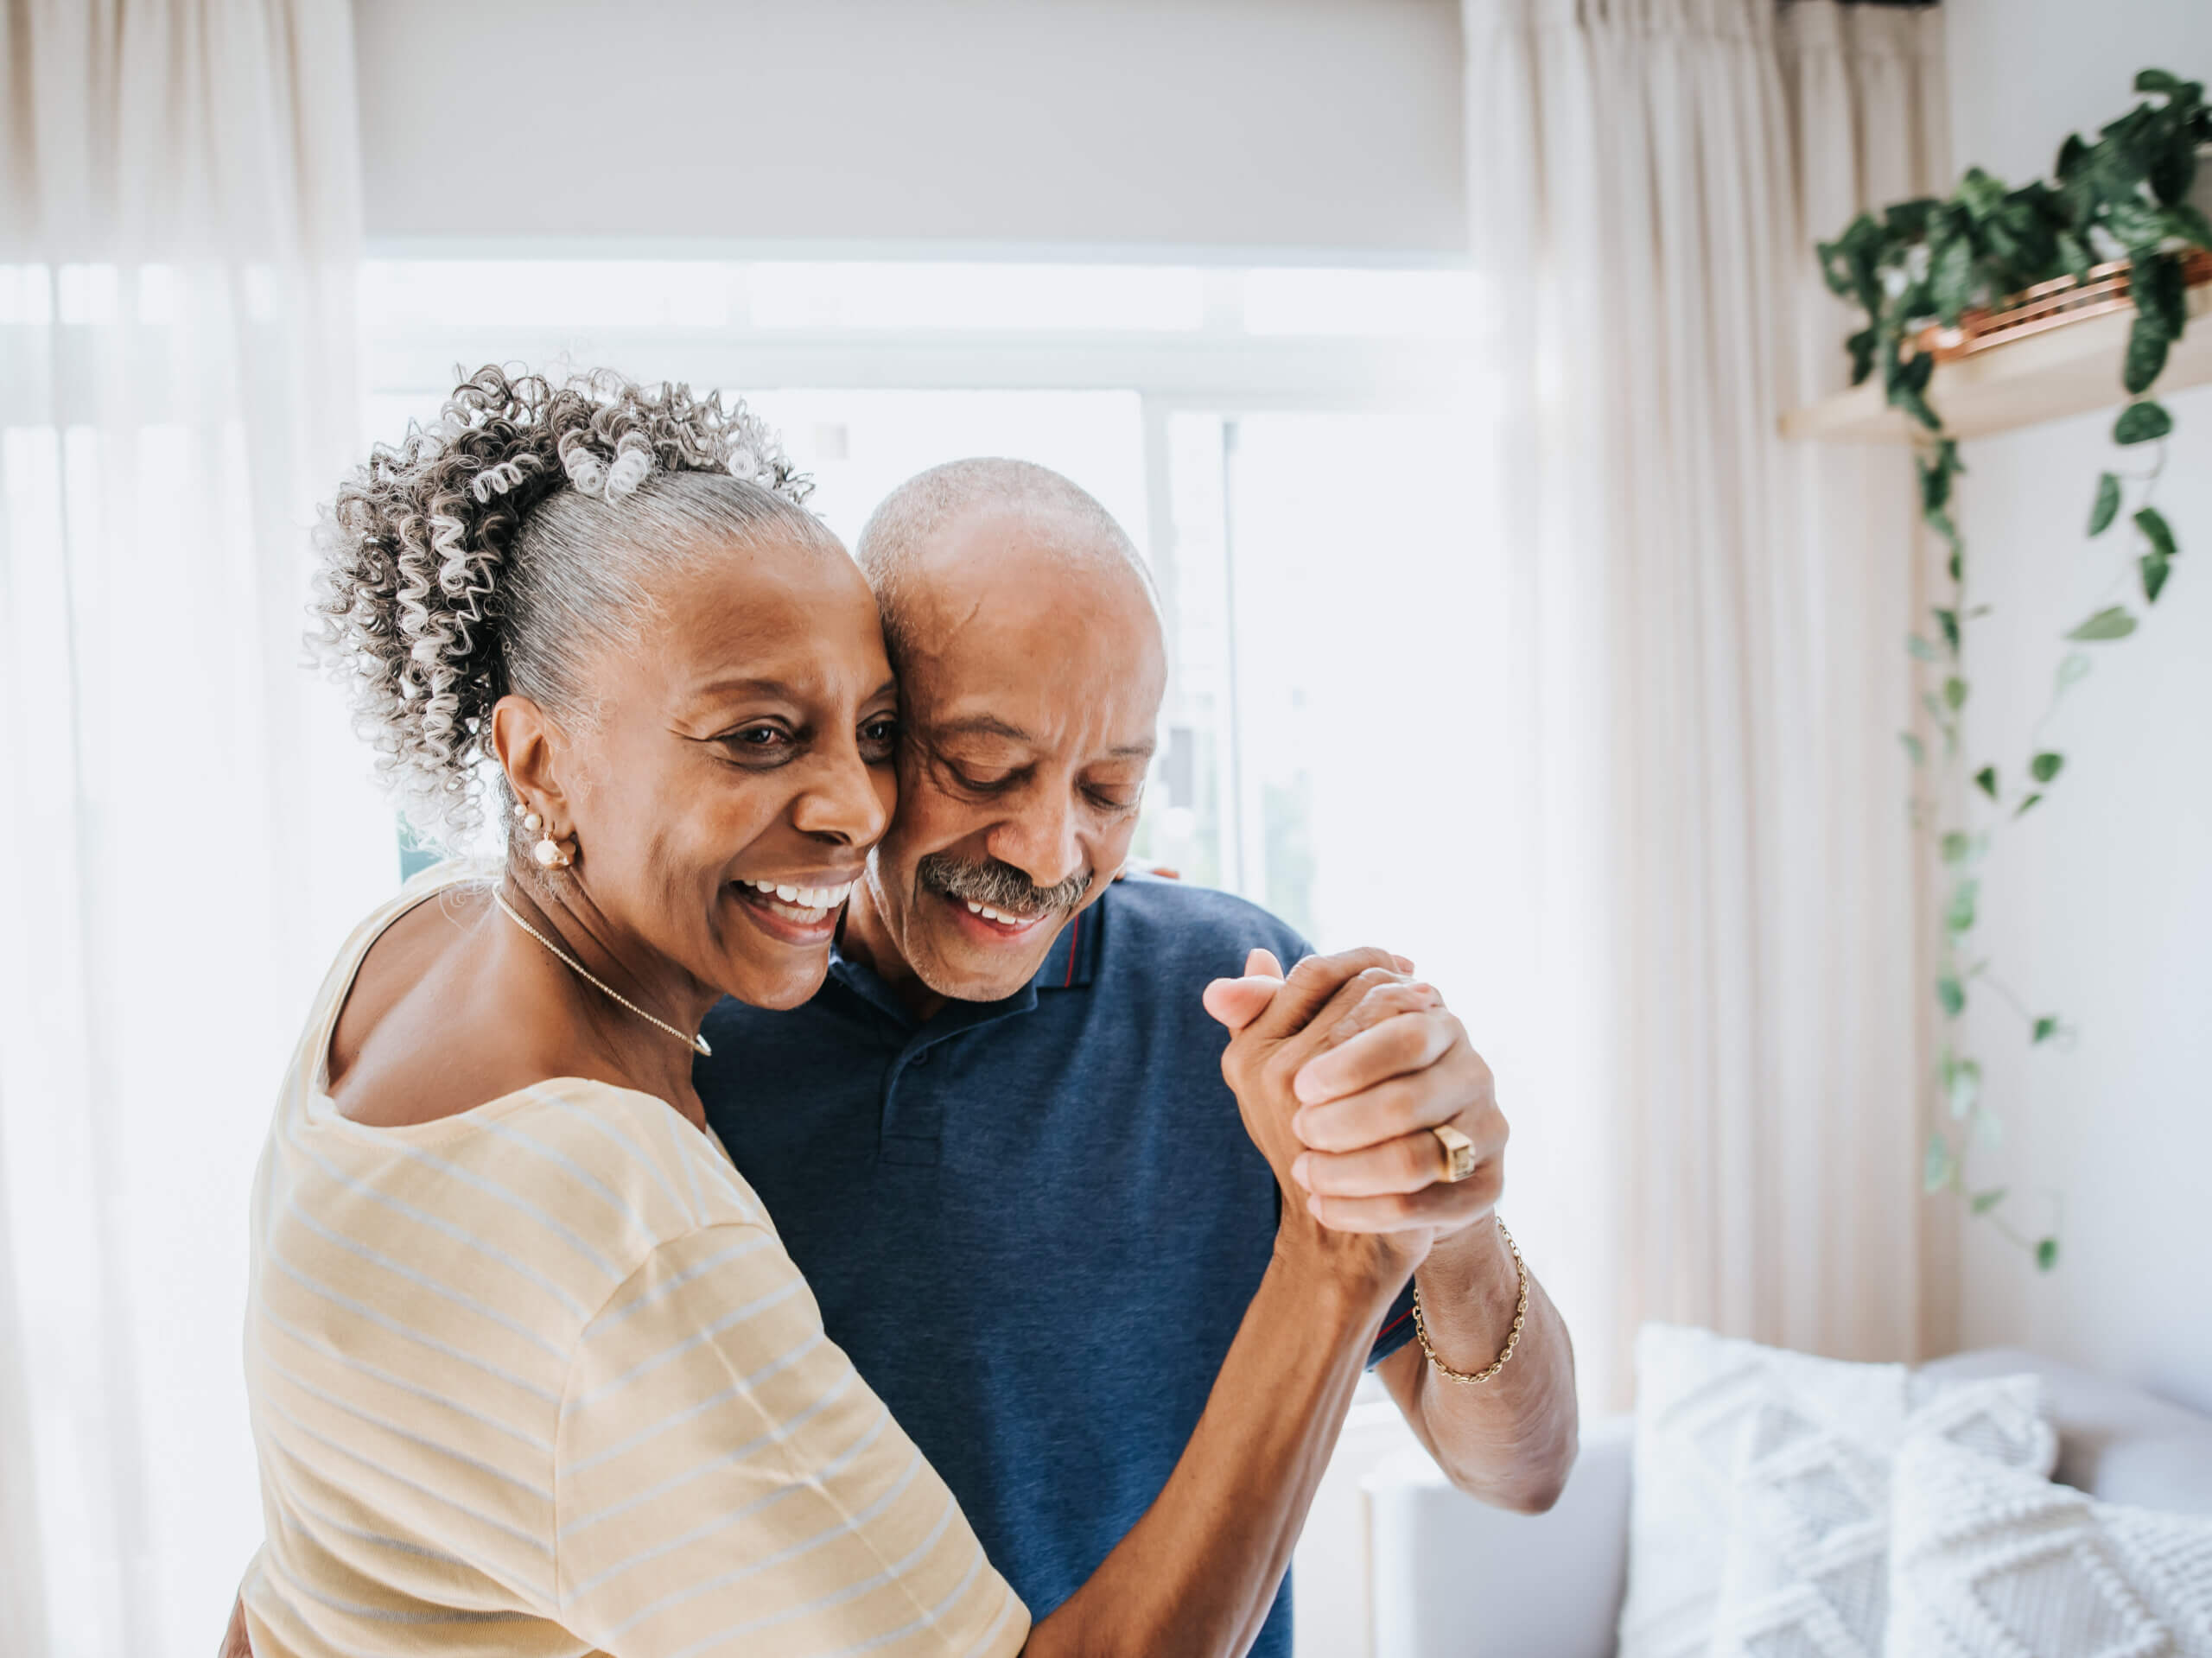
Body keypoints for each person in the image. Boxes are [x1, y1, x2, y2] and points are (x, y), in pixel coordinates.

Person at [228, 366, 1491, 1658]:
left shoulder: (405, 948)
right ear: (538, 759)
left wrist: (1449, 1210)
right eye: (759, 736)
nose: (854, 806)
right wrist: (1338, 1260)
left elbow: (302, 1577)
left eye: (876, 730)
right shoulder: (626, 1217)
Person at [692, 459, 1580, 1657]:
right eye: (985, 769)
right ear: (868, 727)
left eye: (1110, 788)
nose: (1049, 848)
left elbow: (1522, 1475)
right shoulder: (692, 1040)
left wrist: (1452, 1217)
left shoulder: (1239, 995)